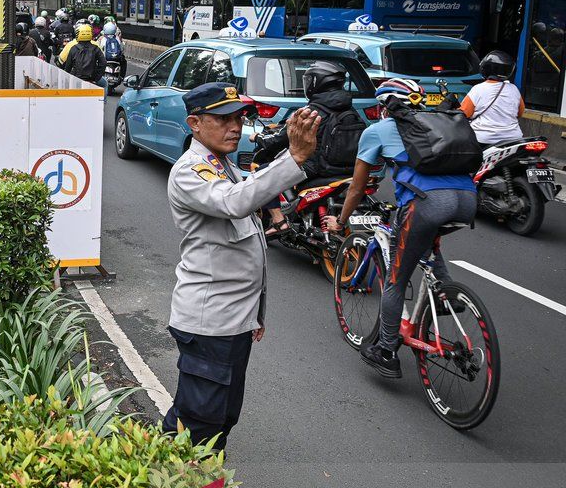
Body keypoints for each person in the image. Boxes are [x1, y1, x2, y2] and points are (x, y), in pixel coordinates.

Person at [163, 83, 321, 451]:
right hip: (210, 324)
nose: (235, 127)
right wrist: (293, 157)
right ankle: (167, 483)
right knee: (197, 423)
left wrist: (254, 316)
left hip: (233, 320)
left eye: (239, 118)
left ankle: (197, 482)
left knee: (221, 417)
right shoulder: (191, 171)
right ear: (195, 123)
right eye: (223, 119)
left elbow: (248, 239)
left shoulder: (224, 165)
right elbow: (236, 202)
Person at [323, 78, 477, 379]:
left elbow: (356, 188)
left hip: (427, 204)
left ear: (384, 107)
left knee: (396, 278)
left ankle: (386, 350)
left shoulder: (378, 130)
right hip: (467, 201)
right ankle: (446, 295)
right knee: (423, 240)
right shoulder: (436, 125)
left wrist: (340, 222)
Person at [251, 60, 364, 235]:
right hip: (350, 169)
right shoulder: (349, 110)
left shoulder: (312, 111)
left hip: (315, 168)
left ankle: (279, 221)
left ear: (315, 82)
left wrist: (258, 137)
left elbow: (278, 140)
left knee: (264, 172)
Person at [461, 50, 523, 145]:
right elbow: (520, 113)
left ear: (485, 68)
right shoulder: (514, 89)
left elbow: (464, 113)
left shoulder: (478, 89)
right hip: (513, 138)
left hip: (483, 140)